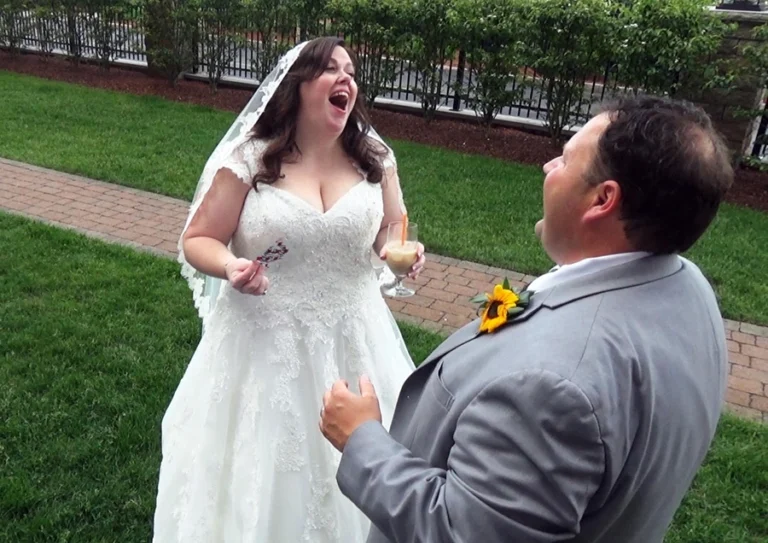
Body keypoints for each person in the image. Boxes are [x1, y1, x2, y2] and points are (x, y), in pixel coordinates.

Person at [320, 96, 734, 543]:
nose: (547, 165)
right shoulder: (689, 289)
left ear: (602, 199)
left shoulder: (553, 389)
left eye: (566, 158)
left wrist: (362, 439)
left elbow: (461, 532)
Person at [153, 37, 424, 542]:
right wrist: (231, 264)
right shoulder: (251, 158)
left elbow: (392, 227)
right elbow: (198, 239)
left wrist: (395, 250)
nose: (347, 79)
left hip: (355, 340)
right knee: (264, 476)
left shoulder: (375, 158)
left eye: (352, 71)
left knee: (363, 473)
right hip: (263, 347)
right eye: (331, 70)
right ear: (297, 85)